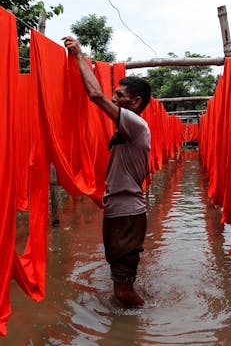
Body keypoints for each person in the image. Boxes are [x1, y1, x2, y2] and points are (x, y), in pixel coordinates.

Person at [62, 36, 151, 307]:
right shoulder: (126, 129)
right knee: (120, 280)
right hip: (121, 212)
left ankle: (148, 326)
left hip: (126, 215)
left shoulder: (135, 124)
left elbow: (96, 96)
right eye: (115, 94)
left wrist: (78, 55)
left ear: (136, 102)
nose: (114, 98)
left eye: (120, 96)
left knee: (123, 291)